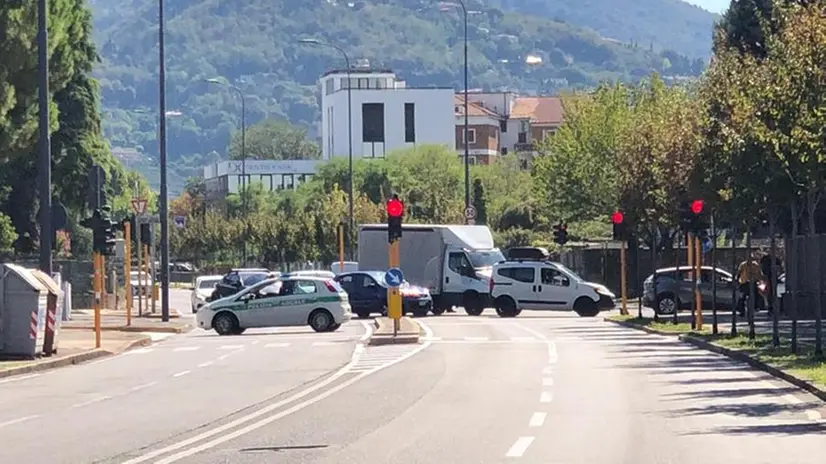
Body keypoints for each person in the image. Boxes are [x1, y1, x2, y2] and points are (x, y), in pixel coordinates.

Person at [735, 253, 762, 317]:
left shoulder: (755, 265)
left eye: (751, 258)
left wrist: (759, 280)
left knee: (757, 295)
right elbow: (739, 272)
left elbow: (759, 273)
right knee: (742, 297)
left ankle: (756, 307)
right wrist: (737, 280)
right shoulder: (743, 265)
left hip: (753, 282)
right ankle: (741, 310)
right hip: (744, 283)